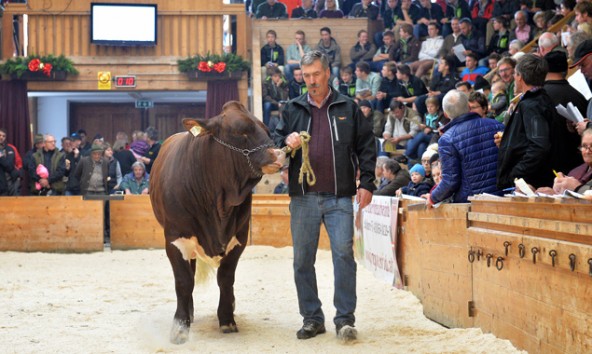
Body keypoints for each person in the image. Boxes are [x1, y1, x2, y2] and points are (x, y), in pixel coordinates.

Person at [272, 50, 376, 342]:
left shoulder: (347, 106)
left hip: (340, 197)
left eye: (316, 74)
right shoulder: (292, 108)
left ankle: (344, 320)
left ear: (327, 73)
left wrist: (367, 182)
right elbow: (276, 142)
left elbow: (367, 146)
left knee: (344, 255)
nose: (311, 81)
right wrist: (286, 141)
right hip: (303, 197)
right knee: (302, 260)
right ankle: (312, 319)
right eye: (306, 76)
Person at [427, 90, 503, 206]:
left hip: (472, 205)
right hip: (504, 198)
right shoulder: (497, 125)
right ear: (468, 106)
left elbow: (450, 181)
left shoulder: (447, 139)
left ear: (446, 114)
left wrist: (432, 198)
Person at [496, 54, 558, 190]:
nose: (513, 78)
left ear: (520, 77)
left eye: (514, 74)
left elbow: (539, 146)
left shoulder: (532, 105)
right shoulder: (538, 100)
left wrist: (515, 175)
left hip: (531, 185)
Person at [0, 128, 20, 196]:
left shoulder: (10, 149)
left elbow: (9, 165)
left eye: (3, 136)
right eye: (0, 135)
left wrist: (1, 158)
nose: (1, 137)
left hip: (10, 182)